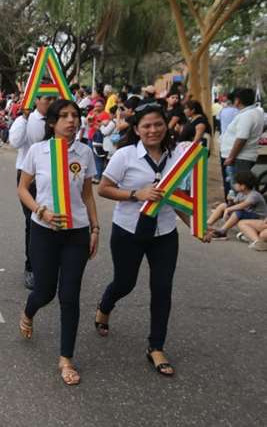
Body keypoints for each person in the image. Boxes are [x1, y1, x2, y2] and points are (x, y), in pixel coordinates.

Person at [95, 102, 209, 377]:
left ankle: (156, 346)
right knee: (125, 283)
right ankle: (104, 306)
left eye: (158, 124)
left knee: (162, 288)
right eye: (146, 125)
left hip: (165, 234)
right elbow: (104, 189)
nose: (153, 130)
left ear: (166, 125)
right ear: (137, 129)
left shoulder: (177, 157)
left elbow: (178, 200)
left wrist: (197, 227)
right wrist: (136, 194)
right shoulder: (124, 155)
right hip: (129, 230)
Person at [17, 99, 99, 386]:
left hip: (76, 233)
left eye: (75, 115)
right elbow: (22, 189)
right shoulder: (38, 152)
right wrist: (41, 210)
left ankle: (66, 358)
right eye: (64, 116)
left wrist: (95, 229)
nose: (71, 121)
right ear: (52, 123)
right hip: (44, 231)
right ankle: (29, 311)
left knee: (70, 296)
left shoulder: (85, 153)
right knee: (44, 291)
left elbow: (88, 194)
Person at [9, 94, 55, 290]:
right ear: (35, 100)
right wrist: (24, 118)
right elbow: (15, 142)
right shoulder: (25, 120)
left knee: (54, 219)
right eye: (46, 98)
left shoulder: (58, 120)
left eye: (54, 98)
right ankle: (32, 267)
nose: (50, 102)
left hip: (53, 175)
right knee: (33, 221)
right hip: (29, 177)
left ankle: (51, 264)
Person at [221, 88, 264, 197]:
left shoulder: (247, 115)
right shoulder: (255, 112)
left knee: (238, 190)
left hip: (239, 158)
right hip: (242, 157)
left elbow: (241, 138)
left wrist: (231, 157)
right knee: (238, 189)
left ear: (237, 100)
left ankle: (238, 211)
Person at [207, 171, 267, 240]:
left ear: (243, 186)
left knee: (238, 212)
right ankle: (208, 224)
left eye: (236, 183)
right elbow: (234, 204)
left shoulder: (254, 195)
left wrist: (228, 209)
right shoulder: (240, 194)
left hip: (258, 218)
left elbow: (243, 205)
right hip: (246, 214)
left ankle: (222, 232)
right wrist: (229, 201)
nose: (234, 185)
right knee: (223, 205)